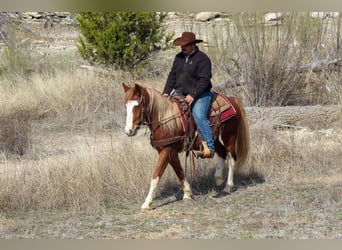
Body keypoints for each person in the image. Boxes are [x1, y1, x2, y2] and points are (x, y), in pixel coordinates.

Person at [162, 32, 215, 158]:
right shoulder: (179, 58)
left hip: (201, 94)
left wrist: (193, 94)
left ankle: (210, 147)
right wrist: (165, 92)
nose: (182, 47)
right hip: (179, 93)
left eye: (185, 45)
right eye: (181, 45)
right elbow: (172, 76)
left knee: (198, 115)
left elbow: (204, 80)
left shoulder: (203, 59)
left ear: (193, 45)